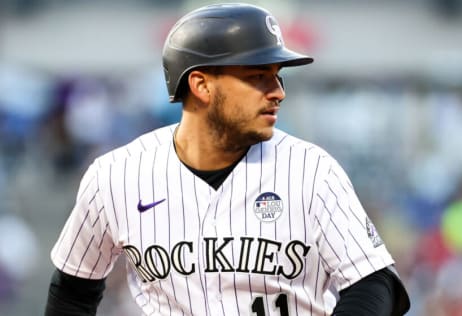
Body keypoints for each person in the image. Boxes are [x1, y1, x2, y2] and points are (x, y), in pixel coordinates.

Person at [45, 3, 410, 316]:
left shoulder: (312, 170)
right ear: (201, 85)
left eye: (278, 77)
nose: (278, 92)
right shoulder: (116, 176)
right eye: (258, 77)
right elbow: (72, 291)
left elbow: (374, 282)